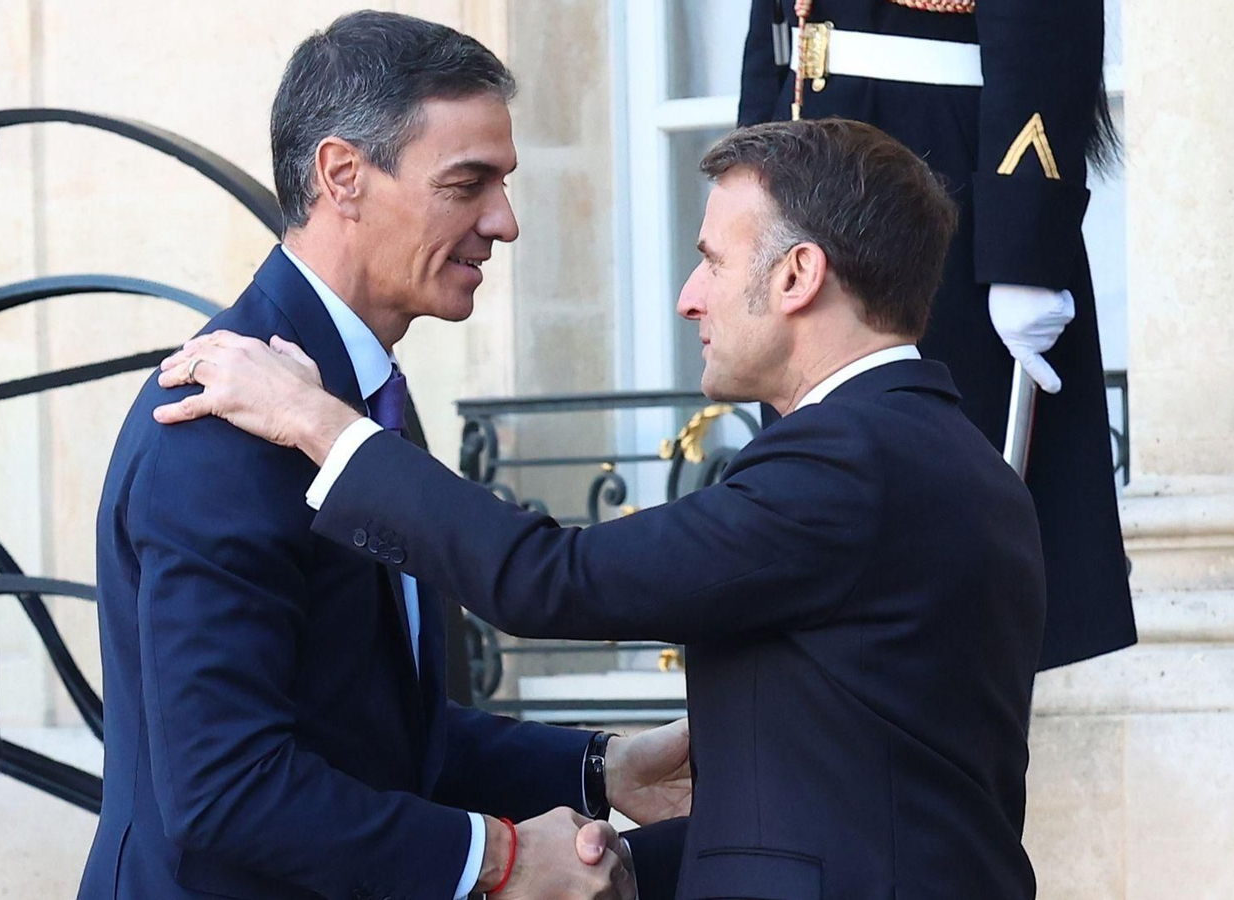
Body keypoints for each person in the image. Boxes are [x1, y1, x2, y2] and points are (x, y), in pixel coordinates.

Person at [156, 118, 1049, 899]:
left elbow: (555, 580)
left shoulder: (851, 461)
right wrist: (602, 857)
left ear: (797, 276)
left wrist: (320, 424)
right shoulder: (938, 453)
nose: (689, 297)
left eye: (712, 261)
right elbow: (836, 812)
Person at [81, 12, 688, 899]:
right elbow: (227, 788)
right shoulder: (219, 420)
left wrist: (602, 769)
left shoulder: (342, 401)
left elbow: (374, 730)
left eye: (503, 183)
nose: (504, 222)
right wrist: (500, 859)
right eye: (467, 184)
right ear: (343, 176)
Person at [738, 0, 1134, 670]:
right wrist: (746, 185)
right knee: (817, 508)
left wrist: (1024, 245)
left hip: (933, 173)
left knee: (943, 546)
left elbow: (1044, 23)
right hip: (806, 158)